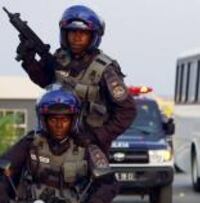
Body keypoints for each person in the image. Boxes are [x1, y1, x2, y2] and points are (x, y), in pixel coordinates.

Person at [16, 5, 136, 153]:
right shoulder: (60, 58)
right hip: (54, 138)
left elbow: (127, 110)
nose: (77, 37)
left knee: (100, 175)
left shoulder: (104, 69)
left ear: (93, 36)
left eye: (83, 33)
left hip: (87, 145)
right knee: (21, 154)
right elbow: (47, 82)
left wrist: (98, 136)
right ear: (64, 34)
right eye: (72, 32)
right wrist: (29, 60)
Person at [0, 86, 116, 203]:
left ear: (74, 120)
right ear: (44, 120)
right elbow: (3, 167)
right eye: (53, 120)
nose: (59, 125)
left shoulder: (86, 146)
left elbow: (109, 182)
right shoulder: (31, 143)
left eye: (64, 120)